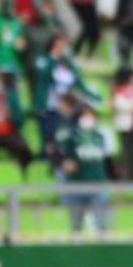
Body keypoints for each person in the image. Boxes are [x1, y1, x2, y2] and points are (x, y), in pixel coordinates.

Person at [54, 94, 113, 233]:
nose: (88, 118)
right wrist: (66, 165)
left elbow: (107, 160)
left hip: (97, 184)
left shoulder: (101, 136)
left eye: (91, 114)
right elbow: (62, 159)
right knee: (76, 226)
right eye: (84, 114)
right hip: (77, 186)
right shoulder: (70, 136)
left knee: (102, 225)